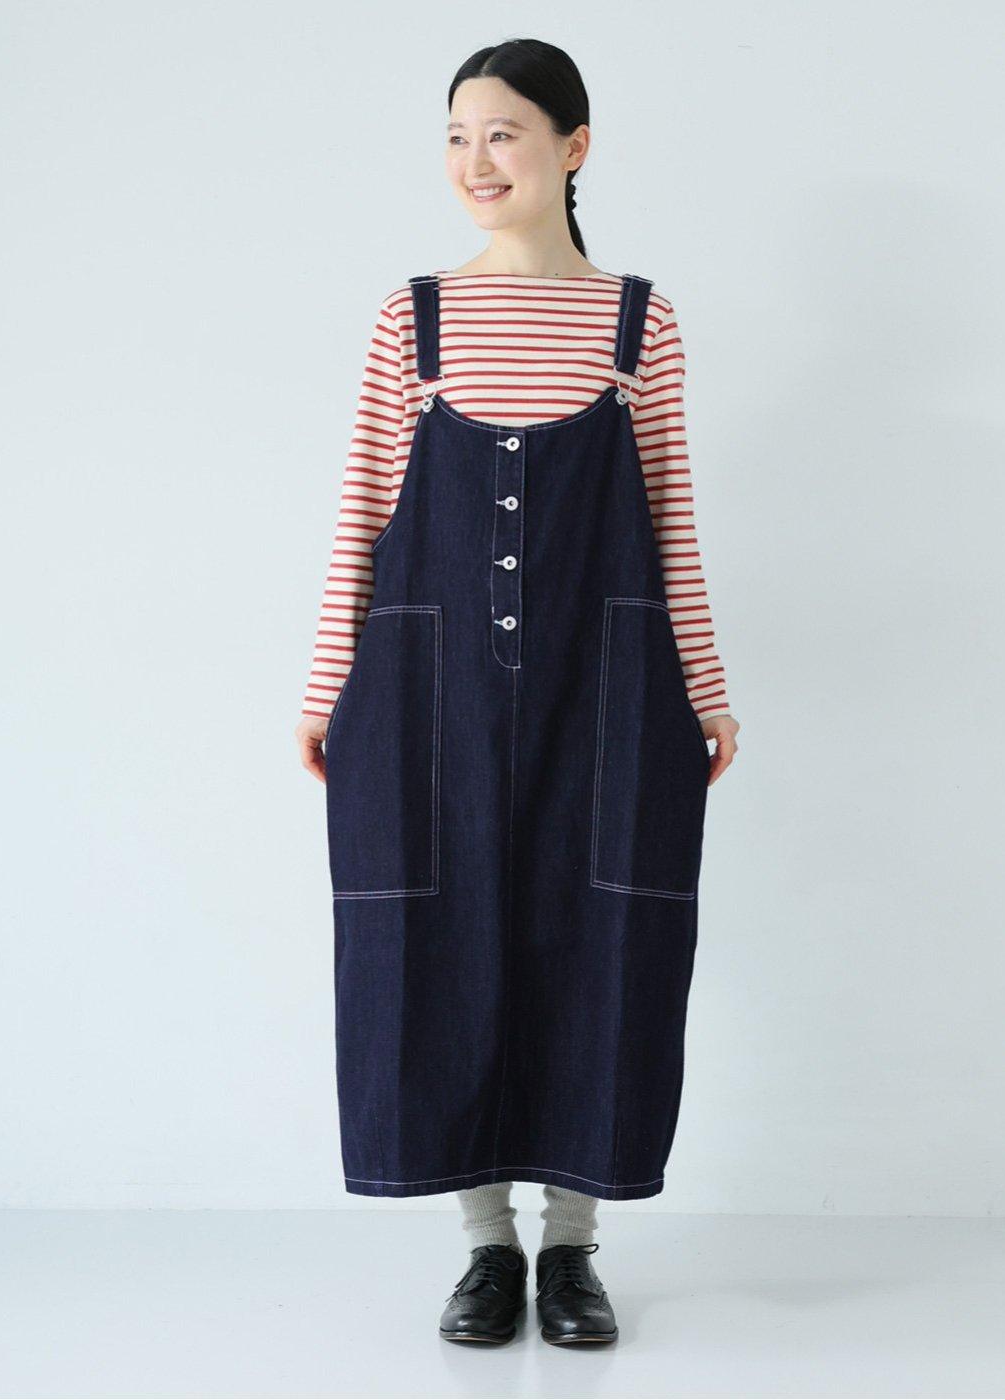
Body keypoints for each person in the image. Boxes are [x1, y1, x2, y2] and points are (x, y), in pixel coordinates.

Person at [295, 37, 740, 1346]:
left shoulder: (639, 319)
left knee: (602, 937)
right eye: (456, 136)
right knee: (438, 939)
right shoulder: (413, 317)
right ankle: (487, 1248)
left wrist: (705, 683)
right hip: (423, 688)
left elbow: (670, 516)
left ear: (572, 146)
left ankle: (575, 1249)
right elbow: (363, 509)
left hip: (608, 684)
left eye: (502, 133)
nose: (474, 161)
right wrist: (326, 683)